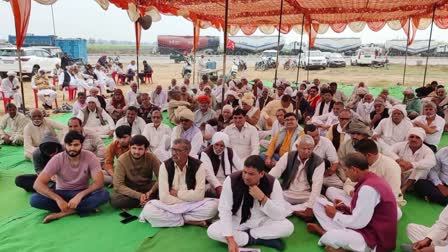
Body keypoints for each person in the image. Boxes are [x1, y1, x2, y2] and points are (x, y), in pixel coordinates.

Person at [308, 152, 398, 252]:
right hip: (367, 226)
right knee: (318, 205)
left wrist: (335, 215)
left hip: (376, 240)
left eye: (346, 170)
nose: (346, 174)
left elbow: (359, 222)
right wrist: (344, 208)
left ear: (354, 170)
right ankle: (339, 240)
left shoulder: (368, 188)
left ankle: (326, 234)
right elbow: (364, 212)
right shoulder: (371, 179)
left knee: (332, 236)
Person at [207, 155, 294, 251]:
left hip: (262, 221)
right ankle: (259, 239)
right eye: (245, 172)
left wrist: (263, 199)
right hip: (237, 220)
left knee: (288, 227)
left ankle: (247, 237)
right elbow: (224, 210)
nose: (246, 177)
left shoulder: (272, 183)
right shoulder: (231, 180)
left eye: (251, 174)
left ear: (261, 174)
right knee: (212, 231)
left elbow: (279, 215)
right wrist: (230, 239)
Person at [30, 131, 110, 223]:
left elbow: (99, 182)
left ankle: (66, 212)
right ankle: (84, 207)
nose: (72, 148)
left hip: (82, 192)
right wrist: (58, 199)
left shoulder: (90, 157)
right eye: (69, 145)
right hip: (61, 193)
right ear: (65, 145)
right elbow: (37, 184)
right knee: (34, 199)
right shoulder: (57, 159)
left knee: (104, 194)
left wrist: (80, 195)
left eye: (76, 145)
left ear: (81, 145)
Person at [140, 139, 218, 227]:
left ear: (187, 152)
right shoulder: (164, 166)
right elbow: (164, 197)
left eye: (178, 151)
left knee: (214, 206)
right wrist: (188, 199)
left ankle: (175, 219)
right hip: (171, 205)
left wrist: (177, 193)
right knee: (148, 210)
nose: (174, 153)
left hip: (191, 205)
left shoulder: (198, 166)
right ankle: (187, 220)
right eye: (173, 149)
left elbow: (199, 195)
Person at [325, 139, 404, 219]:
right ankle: (355, 212)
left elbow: (393, 196)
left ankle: (354, 212)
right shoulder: (361, 163)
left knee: (397, 213)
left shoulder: (391, 166)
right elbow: (348, 184)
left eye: (359, 155)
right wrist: (351, 192)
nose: (357, 158)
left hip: (378, 204)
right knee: (330, 190)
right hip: (358, 198)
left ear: (368, 155)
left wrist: (367, 200)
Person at [269, 135, 325, 221]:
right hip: (287, 193)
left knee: (321, 201)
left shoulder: (319, 162)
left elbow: (316, 186)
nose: (306, 152)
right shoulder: (288, 156)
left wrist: (310, 207)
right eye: (303, 148)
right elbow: (273, 175)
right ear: (297, 147)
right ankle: (295, 211)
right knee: (271, 195)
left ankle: (287, 210)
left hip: (305, 195)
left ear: (313, 148)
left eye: (309, 149)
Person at [110, 135, 160, 209]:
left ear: (146, 149)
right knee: (114, 200)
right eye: (134, 148)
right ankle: (149, 201)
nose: (136, 152)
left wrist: (151, 191)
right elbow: (118, 185)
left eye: (140, 149)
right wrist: (139, 195)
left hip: (147, 187)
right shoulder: (122, 159)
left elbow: (161, 177)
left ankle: (145, 200)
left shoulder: (152, 157)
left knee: (166, 188)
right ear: (129, 147)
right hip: (130, 188)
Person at [391, 127, 436, 194]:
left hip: (414, 178)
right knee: (389, 163)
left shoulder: (427, 150)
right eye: (411, 137)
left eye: (417, 137)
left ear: (422, 140)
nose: (414, 139)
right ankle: (397, 186)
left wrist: (412, 165)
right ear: (408, 138)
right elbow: (388, 151)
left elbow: (432, 162)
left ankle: (404, 189)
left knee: (423, 168)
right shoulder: (401, 145)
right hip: (399, 173)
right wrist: (398, 160)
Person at [199, 132, 243, 198]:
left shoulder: (229, 151)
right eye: (216, 144)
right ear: (213, 143)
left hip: (226, 180)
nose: (218, 148)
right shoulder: (205, 153)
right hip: (211, 184)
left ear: (225, 146)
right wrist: (219, 187)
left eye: (222, 146)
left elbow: (240, 166)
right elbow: (209, 175)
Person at [304, 124, 342, 189]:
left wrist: (328, 173)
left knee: (340, 186)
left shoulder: (326, 142)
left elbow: (335, 163)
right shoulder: (300, 143)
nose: (316, 138)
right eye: (312, 137)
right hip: (305, 173)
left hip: (324, 173)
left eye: (317, 135)